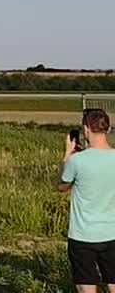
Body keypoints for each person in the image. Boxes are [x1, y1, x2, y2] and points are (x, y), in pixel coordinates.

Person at [57, 107, 115, 291]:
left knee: (86, 286)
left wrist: (67, 155)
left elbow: (61, 186)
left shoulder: (77, 161)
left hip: (83, 235)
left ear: (85, 129)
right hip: (112, 232)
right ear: (108, 129)